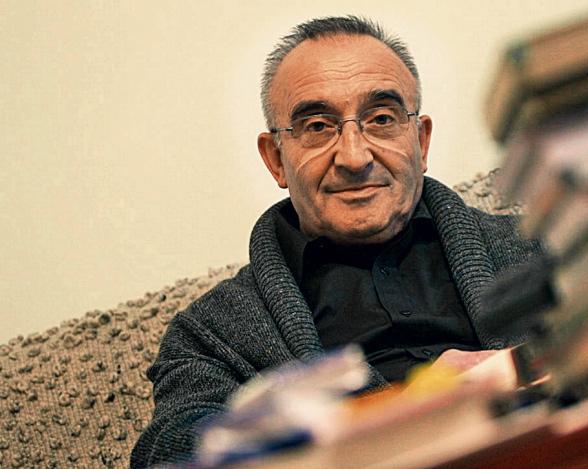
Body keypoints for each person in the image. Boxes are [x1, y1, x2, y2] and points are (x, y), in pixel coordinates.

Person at [131, 15, 545, 468]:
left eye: (381, 119)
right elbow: (170, 454)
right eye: (317, 127)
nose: (353, 156)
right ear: (275, 159)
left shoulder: (544, 243)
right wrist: (409, 408)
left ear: (421, 141)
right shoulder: (211, 334)